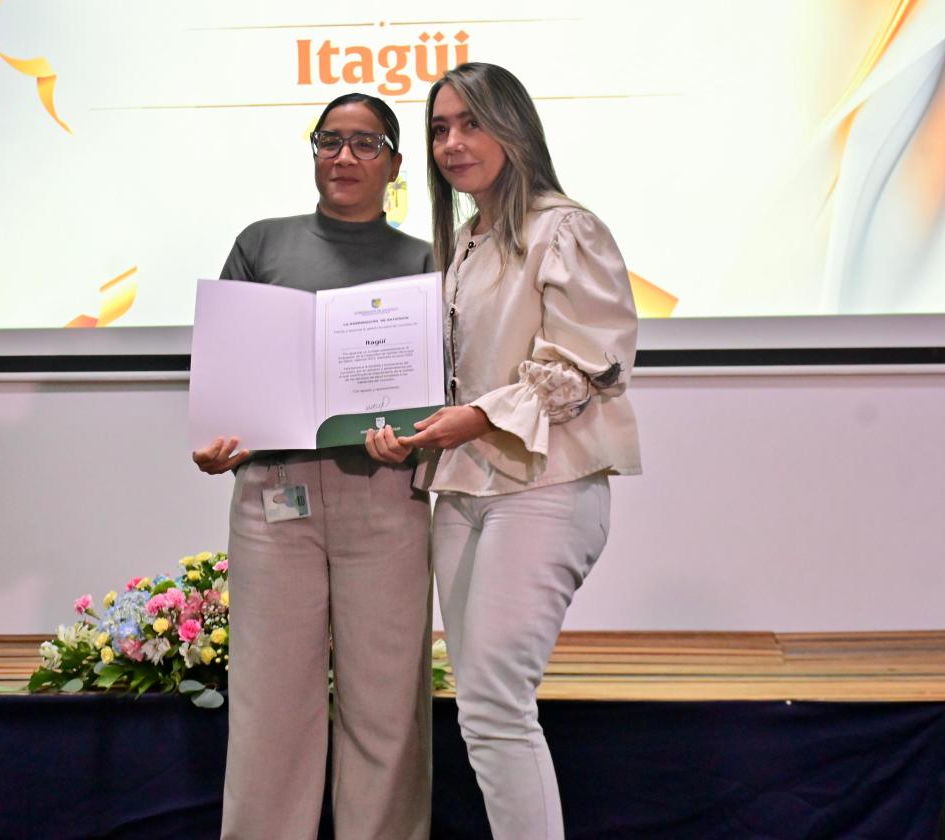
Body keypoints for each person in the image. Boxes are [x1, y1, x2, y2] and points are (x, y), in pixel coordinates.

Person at [365, 63, 642, 839]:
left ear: (514, 128)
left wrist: (473, 418)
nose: (453, 143)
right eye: (439, 129)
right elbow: (443, 380)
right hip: (461, 493)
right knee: (483, 713)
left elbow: (588, 366)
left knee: (493, 703)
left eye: (471, 123)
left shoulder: (564, 228)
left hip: (546, 486)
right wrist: (408, 433)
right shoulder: (462, 247)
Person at [194, 93, 435, 840]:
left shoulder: (425, 259)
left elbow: (444, 387)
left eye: (366, 144)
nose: (344, 156)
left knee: (387, 702)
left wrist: (416, 436)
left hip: (386, 494)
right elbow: (226, 367)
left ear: (394, 163)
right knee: (270, 702)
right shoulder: (262, 242)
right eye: (329, 140)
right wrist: (214, 437)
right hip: (275, 495)